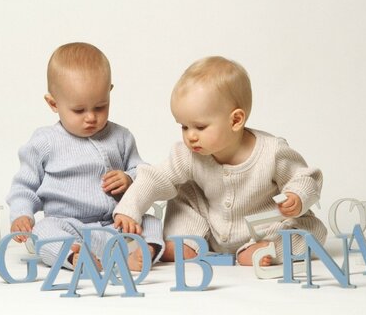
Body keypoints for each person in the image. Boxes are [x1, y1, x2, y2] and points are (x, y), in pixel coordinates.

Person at [114, 56, 326, 266]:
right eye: (184, 127)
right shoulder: (188, 154)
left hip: (265, 228)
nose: (190, 136)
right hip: (210, 229)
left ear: (235, 120)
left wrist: (297, 196)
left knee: (310, 232)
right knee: (184, 193)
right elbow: (154, 177)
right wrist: (129, 209)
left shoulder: (272, 152)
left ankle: (266, 248)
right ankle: (185, 243)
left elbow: (305, 177)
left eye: (200, 127)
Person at [7, 42, 164, 271]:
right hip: (69, 226)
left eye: (100, 107)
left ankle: (143, 251)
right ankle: (74, 257)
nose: (91, 117)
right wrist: (22, 214)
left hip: (115, 223)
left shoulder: (120, 137)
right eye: (79, 110)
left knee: (150, 221)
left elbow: (145, 173)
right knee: (43, 231)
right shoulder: (45, 141)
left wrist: (129, 178)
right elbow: (24, 185)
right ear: (53, 103)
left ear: (109, 92)